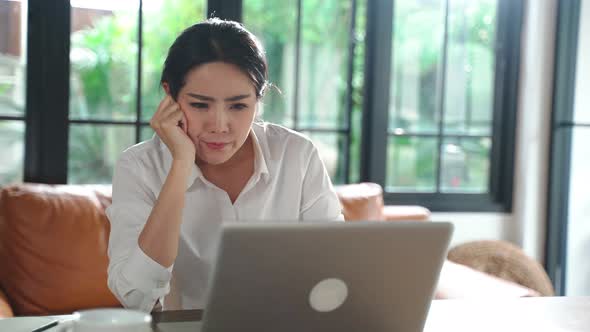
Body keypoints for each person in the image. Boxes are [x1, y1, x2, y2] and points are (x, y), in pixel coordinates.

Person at [106, 18, 344, 312]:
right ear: (170, 95)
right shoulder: (139, 167)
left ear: (259, 99)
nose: (220, 126)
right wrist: (181, 164)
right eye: (200, 105)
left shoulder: (297, 155)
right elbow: (136, 297)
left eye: (238, 106)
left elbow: (334, 274)